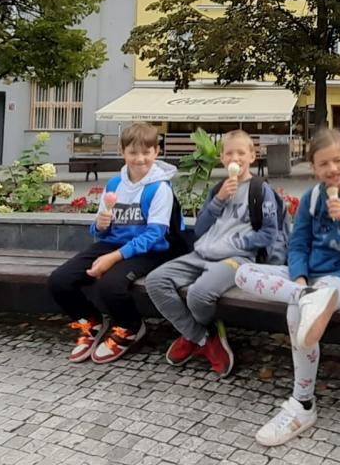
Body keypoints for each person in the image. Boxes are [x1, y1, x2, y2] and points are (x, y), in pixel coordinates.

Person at [233, 128, 340, 447]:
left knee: (296, 315)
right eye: (323, 163)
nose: (332, 169)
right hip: (311, 279)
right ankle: (305, 296)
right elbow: (298, 244)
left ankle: (303, 404)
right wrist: (300, 279)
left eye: (338, 161)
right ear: (314, 168)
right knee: (242, 273)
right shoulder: (312, 198)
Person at [145, 130, 280, 376]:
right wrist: (218, 199)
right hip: (202, 254)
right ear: (222, 158)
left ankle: (193, 336)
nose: (235, 158)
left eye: (241, 153)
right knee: (155, 281)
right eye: (229, 153)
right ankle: (203, 337)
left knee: (198, 295)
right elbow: (201, 229)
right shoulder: (218, 188)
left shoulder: (260, 190)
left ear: (252, 156)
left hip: (236, 258)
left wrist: (239, 241)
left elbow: (270, 233)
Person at [47, 121, 178, 364]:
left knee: (110, 285)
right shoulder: (115, 184)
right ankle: (91, 322)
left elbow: (155, 235)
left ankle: (130, 327)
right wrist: (100, 225)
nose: (140, 159)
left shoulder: (160, 188)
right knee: (60, 281)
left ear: (156, 152)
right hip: (112, 244)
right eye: (133, 152)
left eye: (146, 152)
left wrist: (114, 257)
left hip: (149, 251)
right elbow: (99, 230)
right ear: (122, 152)